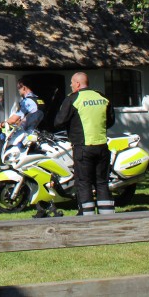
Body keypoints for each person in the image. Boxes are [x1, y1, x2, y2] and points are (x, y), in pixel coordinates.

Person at [54, 72, 116, 216]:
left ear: (77, 84)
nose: (70, 85)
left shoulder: (73, 99)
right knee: (102, 182)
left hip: (83, 147)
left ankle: (87, 217)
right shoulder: (102, 97)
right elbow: (110, 121)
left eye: (71, 83)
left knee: (84, 182)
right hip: (102, 146)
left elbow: (59, 122)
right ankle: (107, 216)